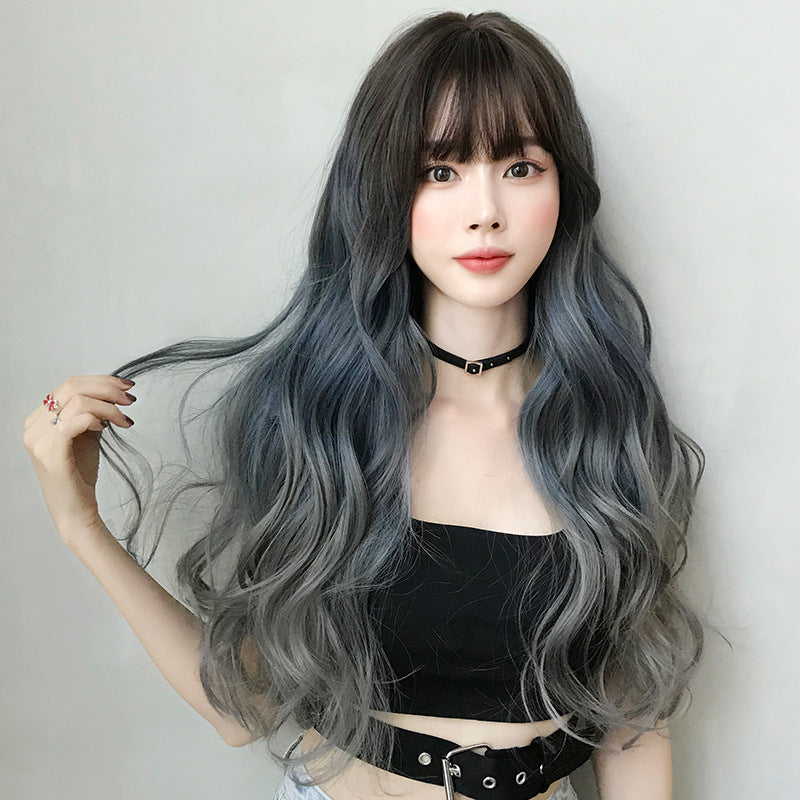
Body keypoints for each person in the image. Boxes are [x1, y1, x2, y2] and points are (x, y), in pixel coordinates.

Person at [22, 10, 709, 800]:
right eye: (440, 171)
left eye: (520, 166)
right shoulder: (316, 421)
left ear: (564, 187)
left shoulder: (611, 428)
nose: (485, 209)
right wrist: (82, 527)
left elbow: (631, 717)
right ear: (384, 188)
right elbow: (243, 709)